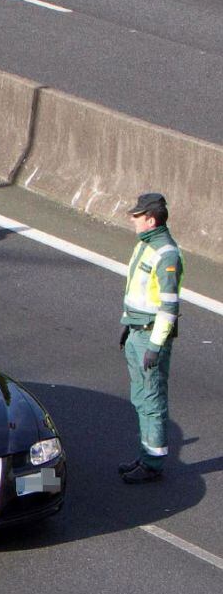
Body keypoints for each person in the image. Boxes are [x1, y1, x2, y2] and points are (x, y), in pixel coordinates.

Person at [117, 192, 184, 483]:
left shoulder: (166, 254)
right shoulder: (145, 245)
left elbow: (169, 307)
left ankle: (153, 463)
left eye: (138, 216)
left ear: (151, 219)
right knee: (140, 397)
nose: (133, 220)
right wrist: (128, 325)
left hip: (150, 336)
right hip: (136, 330)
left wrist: (155, 346)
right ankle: (145, 455)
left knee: (152, 399)